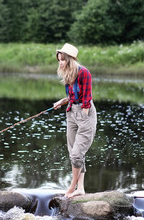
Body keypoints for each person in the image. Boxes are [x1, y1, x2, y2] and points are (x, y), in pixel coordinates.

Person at [53, 43, 97, 198]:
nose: (61, 63)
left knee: (77, 153)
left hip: (84, 114)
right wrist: (62, 101)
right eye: (59, 60)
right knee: (74, 152)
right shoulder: (67, 73)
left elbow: (86, 97)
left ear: (70, 59)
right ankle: (81, 188)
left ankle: (72, 187)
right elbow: (73, 96)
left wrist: (84, 117)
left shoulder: (84, 73)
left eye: (63, 60)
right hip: (71, 112)